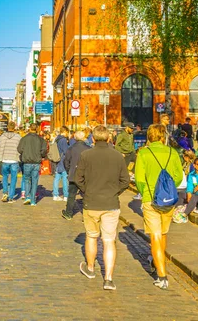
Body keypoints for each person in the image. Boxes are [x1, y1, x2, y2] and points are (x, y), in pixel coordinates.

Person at [74, 126, 129, 290]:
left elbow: (78, 179)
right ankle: (108, 278)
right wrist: (115, 192)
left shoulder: (86, 155)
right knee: (109, 241)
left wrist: (87, 191)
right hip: (111, 203)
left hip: (91, 202)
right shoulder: (118, 156)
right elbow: (125, 180)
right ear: (109, 139)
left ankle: (90, 268)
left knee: (91, 237)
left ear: (92, 139)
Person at [135, 124, 184, 290]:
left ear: (149, 136)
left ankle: (162, 276)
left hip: (151, 199)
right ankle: (158, 263)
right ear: (163, 136)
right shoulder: (173, 152)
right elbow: (178, 177)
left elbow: (139, 179)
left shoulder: (143, 153)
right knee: (163, 233)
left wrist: (146, 194)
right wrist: (168, 189)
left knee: (155, 235)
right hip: (168, 199)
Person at [62, 130, 91, 220]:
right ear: (83, 138)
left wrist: (69, 171)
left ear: (75, 138)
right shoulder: (88, 149)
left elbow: (66, 161)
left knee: (71, 195)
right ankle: (86, 216)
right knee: (86, 195)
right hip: (85, 176)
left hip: (73, 174)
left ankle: (68, 213)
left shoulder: (71, 149)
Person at [17, 123, 47, 206]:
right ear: (37, 129)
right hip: (36, 162)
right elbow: (44, 150)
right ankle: (33, 200)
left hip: (27, 161)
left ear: (29, 128)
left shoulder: (24, 139)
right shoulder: (41, 139)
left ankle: (27, 197)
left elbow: (19, 149)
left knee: (27, 179)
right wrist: (41, 155)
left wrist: (25, 152)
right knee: (34, 181)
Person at [0, 122, 22, 203]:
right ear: (14, 128)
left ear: (7, 127)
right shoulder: (18, 137)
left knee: (5, 177)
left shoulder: (2, 137)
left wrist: (1, 154)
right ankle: (11, 196)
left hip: (4, 159)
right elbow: (21, 148)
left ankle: (5, 193)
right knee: (13, 178)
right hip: (14, 159)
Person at [53, 126, 70, 201]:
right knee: (65, 178)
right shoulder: (63, 140)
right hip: (63, 160)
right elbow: (66, 151)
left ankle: (55, 195)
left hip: (57, 159)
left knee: (57, 178)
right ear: (65, 131)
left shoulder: (57, 138)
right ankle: (66, 196)